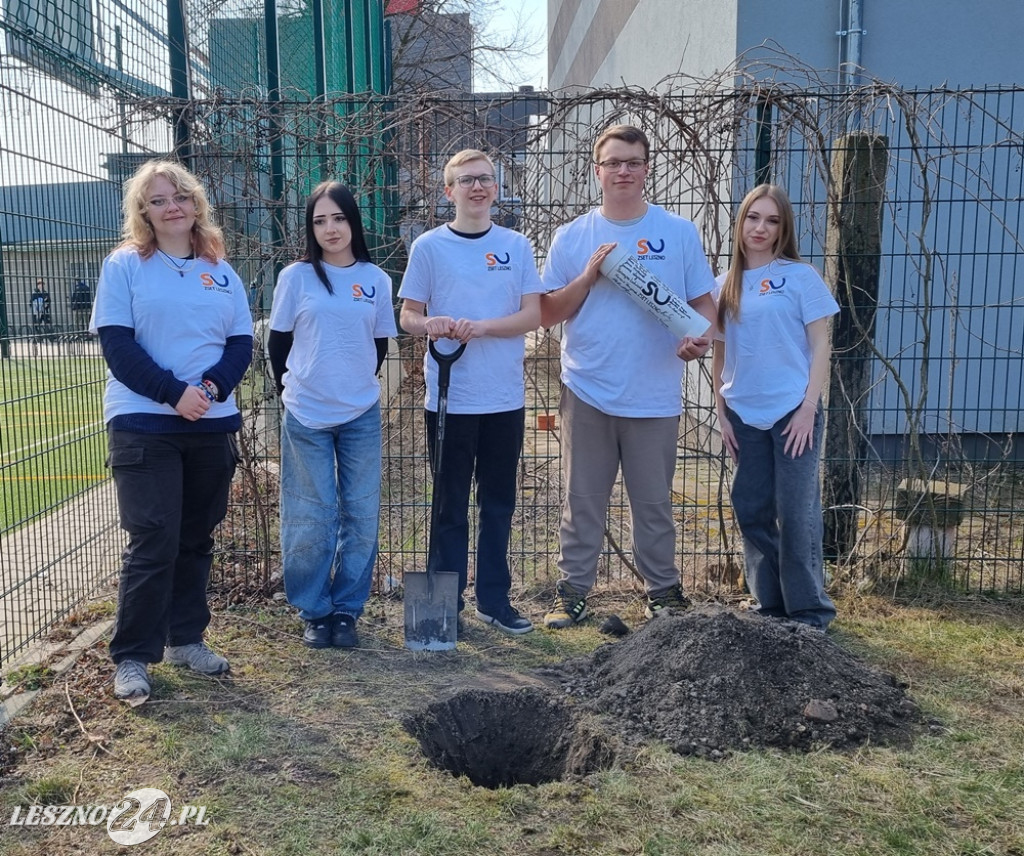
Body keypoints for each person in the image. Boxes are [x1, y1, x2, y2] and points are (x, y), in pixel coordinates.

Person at [539, 124, 717, 628]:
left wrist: (698, 339)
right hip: (587, 389)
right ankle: (572, 592)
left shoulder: (678, 233)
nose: (623, 170)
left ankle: (662, 593)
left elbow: (703, 305)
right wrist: (588, 277)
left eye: (633, 162)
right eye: (613, 162)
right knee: (582, 501)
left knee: (654, 504)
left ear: (646, 168)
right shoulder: (572, 236)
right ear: (597, 170)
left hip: (654, 394)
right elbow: (549, 311)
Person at [91, 160, 253, 700]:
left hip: (210, 423)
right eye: (158, 200)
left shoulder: (220, 271)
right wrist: (172, 392)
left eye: (180, 196)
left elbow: (239, 345)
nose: (172, 207)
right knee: (154, 537)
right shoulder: (125, 266)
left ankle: (187, 638)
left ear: (196, 204)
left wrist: (206, 391)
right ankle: (133, 656)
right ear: (144, 212)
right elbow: (117, 345)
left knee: (195, 536)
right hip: (144, 424)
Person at [399, 148, 543, 635]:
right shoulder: (429, 248)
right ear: (449, 191)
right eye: (466, 181)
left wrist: (482, 329)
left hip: (503, 397)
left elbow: (532, 315)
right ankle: (444, 609)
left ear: (496, 188)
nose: (477, 187)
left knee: (498, 503)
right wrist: (430, 323)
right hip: (448, 399)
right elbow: (407, 315)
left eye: (484, 179)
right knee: (449, 503)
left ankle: (493, 600)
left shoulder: (517, 246)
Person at [267, 182, 397, 649]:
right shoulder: (296, 278)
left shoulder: (376, 280)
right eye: (319, 221)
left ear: (352, 222)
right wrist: (293, 391)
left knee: (361, 514)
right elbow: (277, 344)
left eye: (337, 218)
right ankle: (314, 610)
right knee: (310, 516)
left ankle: (347, 610)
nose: (329, 229)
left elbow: (378, 345)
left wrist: (352, 384)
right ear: (311, 228)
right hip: (306, 414)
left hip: (360, 413)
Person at [711, 184, 838, 631]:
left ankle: (810, 612)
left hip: (792, 413)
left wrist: (808, 408)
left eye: (771, 220)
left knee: (796, 510)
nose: (760, 228)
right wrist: (722, 413)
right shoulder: (722, 286)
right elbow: (720, 353)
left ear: (783, 228)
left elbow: (822, 345)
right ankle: (772, 603)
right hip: (744, 415)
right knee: (750, 507)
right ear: (740, 222)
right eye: (753, 218)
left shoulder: (801, 278)